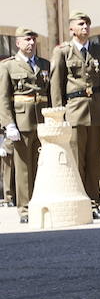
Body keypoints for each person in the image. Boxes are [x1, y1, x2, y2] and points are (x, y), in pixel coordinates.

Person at [50, 11, 100, 217]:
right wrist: (58, 113)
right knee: (76, 159)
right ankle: (78, 202)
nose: (86, 28)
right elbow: (56, 84)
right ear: (72, 29)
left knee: (95, 160)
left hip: (97, 109)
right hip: (74, 110)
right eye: (81, 24)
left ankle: (94, 203)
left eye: (88, 25)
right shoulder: (63, 52)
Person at [0, 28, 50, 224]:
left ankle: (41, 202)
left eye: (34, 39)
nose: (31, 43)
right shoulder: (8, 66)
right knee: (23, 169)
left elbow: (50, 93)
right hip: (22, 122)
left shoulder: (44, 64)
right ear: (18, 43)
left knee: (42, 166)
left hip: (42, 120)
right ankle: (25, 208)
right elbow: (3, 99)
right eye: (27, 39)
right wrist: (8, 124)